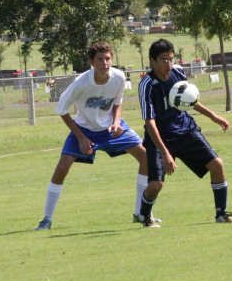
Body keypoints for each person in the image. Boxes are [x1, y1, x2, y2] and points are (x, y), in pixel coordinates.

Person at [34, 40, 157, 231]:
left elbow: (118, 102)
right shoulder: (81, 83)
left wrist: (116, 122)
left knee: (145, 157)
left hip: (111, 129)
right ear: (92, 62)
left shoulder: (119, 77)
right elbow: (61, 110)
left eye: (107, 59)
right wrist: (81, 138)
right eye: (100, 59)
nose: (105, 63)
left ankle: (140, 213)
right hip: (84, 130)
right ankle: (46, 220)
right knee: (62, 167)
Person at [136, 38, 232, 227]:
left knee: (216, 165)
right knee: (156, 185)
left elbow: (188, 100)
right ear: (152, 61)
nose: (168, 64)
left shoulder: (177, 72)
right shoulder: (147, 84)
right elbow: (150, 123)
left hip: (185, 131)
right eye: (163, 60)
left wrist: (214, 116)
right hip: (159, 137)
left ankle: (221, 213)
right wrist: (166, 154)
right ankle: (144, 215)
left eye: (170, 59)